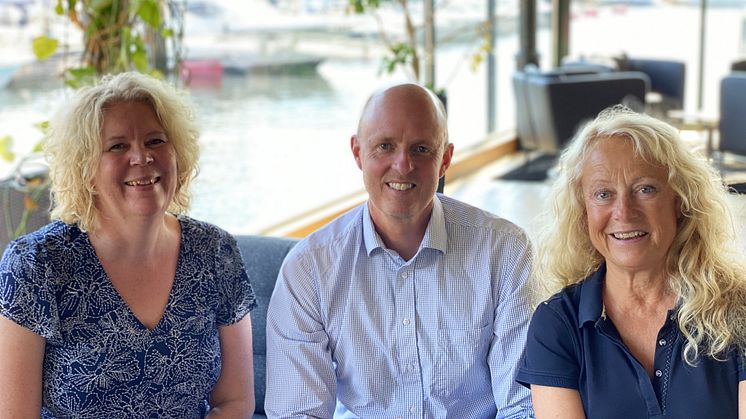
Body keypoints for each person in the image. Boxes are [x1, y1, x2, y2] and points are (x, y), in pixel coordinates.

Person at [265, 83, 535, 418]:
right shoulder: (310, 269)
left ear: (445, 159)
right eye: (385, 146)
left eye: (421, 149)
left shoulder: (504, 252)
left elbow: (524, 406)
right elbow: (298, 412)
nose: (403, 165)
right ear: (358, 153)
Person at [0, 72, 257, 418]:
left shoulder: (215, 252)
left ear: (178, 154)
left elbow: (235, 402)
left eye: (155, 141)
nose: (142, 157)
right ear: (86, 171)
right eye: (117, 146)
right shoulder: (36, 265)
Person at [516, 106, 746, 418]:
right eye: (602, 194)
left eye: (645, 189)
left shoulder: (738, 307)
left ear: (680, 202)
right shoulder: (558, 323)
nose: (624, 212)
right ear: (582, 212)